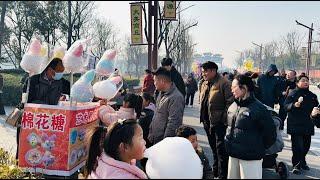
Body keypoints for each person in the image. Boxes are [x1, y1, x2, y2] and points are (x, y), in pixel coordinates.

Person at [225, 74, 277, 179]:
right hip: (233, 155)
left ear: (244, 88)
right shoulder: (233, 106)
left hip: (250, 158)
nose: (232, 90)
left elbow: (270, 134)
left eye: (234, 87)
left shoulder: (259, 109)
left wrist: (257, 148)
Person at [199, 61, 234, 179]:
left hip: (219, 123)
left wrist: (222, 119)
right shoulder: (204, 83)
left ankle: (223, 175)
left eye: (205, 71)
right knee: (214, 148)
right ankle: (216, 172)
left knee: (221, 151)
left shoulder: (224, 83)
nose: (203, 74)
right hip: (207, 122)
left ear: (213, 71)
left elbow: (230, 103)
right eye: (202, 71)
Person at [284, 74, 319, 175]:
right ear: (297, 83)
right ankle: (296, 165)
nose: (306, 82)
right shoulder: (293, 94)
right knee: (297, 146)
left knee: (306, 146)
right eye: (303, 80)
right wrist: (294, 105)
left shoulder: (312, 96)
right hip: (295, 124)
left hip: (308, 124)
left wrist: (317, 111)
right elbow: (285, 106)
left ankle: (303, 161)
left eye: (307, 80)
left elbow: (317, 107)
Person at [148, 67, 185, 145]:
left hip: (162, 142)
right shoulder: (161, 93)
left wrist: (165, 144)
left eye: (155, 81)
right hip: (156, 138)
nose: (154, 83)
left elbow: (174, 123)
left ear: (162, 81)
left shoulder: (176, 97)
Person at [138, 93, 156, 170]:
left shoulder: (146, 113)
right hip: (149, 138)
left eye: (142, 100)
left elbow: (140, 126)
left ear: (148, 101)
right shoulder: (152, 109)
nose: (140, 101)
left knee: (145, 157)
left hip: (146, 138)